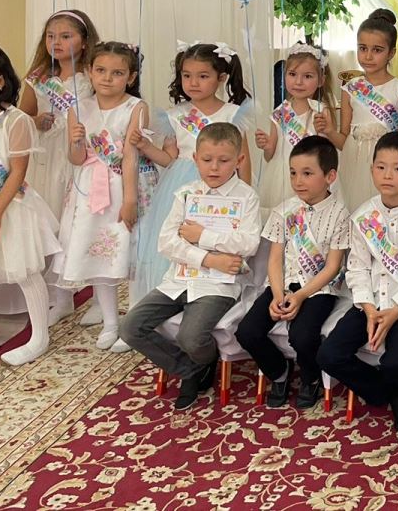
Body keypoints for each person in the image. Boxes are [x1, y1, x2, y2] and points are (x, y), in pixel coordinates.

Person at [120, 122, 261, 410]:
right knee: (131, 328)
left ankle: (201, 359)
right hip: (179, 279)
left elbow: (248, 243)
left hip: (218, 285)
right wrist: (209, 258)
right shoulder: (186, 194)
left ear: (239, 160)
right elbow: (166, 243)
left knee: (191, 337)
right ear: (195, 158)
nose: (214, 167)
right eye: (207, 160)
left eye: (223, 160)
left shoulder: (247, 197)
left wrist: (201, 236)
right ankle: (191, 369)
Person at [318, 131, 398, 432]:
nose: (388, 175)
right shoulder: (363, 216)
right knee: (329, 355)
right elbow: (357, 268)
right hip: (370, 302)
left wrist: (396, 310)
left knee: (396, 362)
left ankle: (397, 395)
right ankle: (384, 392)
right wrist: (370, 309)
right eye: (381, 167)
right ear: (372, 169)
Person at [0, 43, 61, 366]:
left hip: (9, 207)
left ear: (0, 81)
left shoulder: (15, 120)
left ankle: (39, 336)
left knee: (25, 270)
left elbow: (17, 172)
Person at [53, 42, 156, 352]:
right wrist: (76, 142)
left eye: (117, 73)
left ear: (131, 77)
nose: (107, 78)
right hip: (89, 190)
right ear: (89, 72)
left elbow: (131, 156)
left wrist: (129, 200)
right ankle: (111, 322)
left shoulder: (136, 107)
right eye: (100, 70)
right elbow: (76, 158)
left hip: (125, 185)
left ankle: (134, 323)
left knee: (132, 255)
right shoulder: (78, 108)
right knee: (100, 255)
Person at [236, 135, 349, 410]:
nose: (298, 181)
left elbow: (333, 267)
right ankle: (279, 372)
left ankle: (310, 377)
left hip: (319, 288)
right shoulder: (284, 210)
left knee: (302, 336)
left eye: (307, 173)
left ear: (330, 176)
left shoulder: (340, 214)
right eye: (293, 173)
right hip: (283, 284)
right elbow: (275, 259)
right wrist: (278, 294)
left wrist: (300, 297)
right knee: (247, 332)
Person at [131, 42, 253, 296]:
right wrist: (145, 146)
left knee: (215, 237)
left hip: (223, 188)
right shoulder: (174, 115)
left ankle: (215, 295)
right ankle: (174, 298)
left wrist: (244, 192)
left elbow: (243, 160)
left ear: (221, 78)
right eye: (187, 76)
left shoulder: (233, 114)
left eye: (203, 76)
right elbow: (169, 158)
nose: (193, 83)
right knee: (180, 238)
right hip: (182, 187)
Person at [19, 9, 99, 325]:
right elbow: (22, 116)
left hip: (80, 156)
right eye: (51, 36)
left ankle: (94, 295)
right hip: (46, 158)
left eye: (66, 36)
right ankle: (59, 297)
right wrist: (36, 120)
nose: (57, 42)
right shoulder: (39, 77)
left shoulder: (93, 74)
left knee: (81, 224)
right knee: (51, 226)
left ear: (84, 40)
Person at [331, 11, 398, 209]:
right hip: (354, 163)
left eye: (377, 50)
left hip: (389, 165)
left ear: (391, 53)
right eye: (363, 48)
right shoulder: (350, 88)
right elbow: (344, 139)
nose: (368, 56)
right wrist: (328, 131)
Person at [255, 43, 333, 214]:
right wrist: (266, 146)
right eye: (292, 74)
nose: (298, 82)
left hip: (310, 175)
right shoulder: (280, 112)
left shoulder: (321, 111)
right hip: (282, 177)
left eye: (307, 76)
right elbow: (270, 155)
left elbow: (328, 149)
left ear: (321, 80)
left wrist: (325, 131)